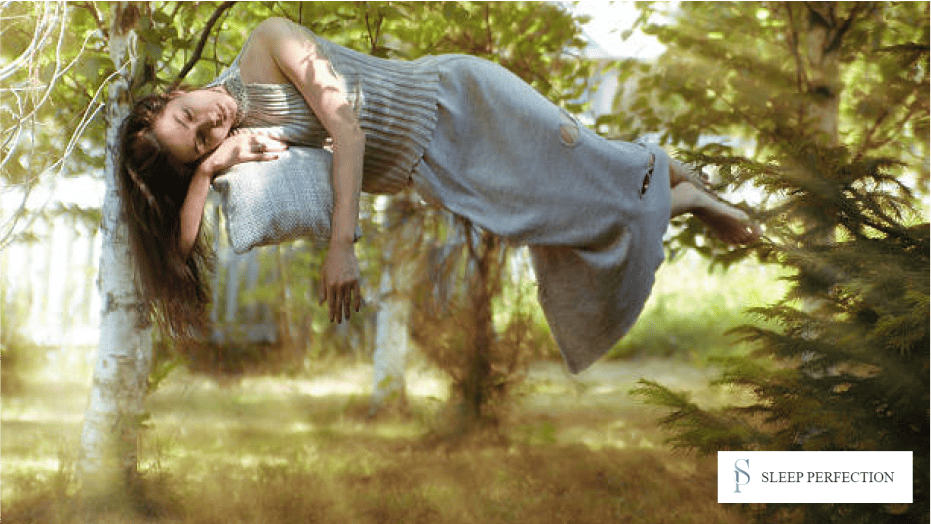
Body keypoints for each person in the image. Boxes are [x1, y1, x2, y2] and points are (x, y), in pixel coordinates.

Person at [119, 17, 760, 372]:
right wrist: (204, 173)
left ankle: (678, 184)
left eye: (188, 116)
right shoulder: (232, 143)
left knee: (581, 161)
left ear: (172, 94)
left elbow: (346, 124)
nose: (208, 127)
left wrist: (343, 245)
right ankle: (684, 196)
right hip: (432, 172)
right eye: (197, 142)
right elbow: (181, 248)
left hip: (457, 102)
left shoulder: (267, 42)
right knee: (555, 219)